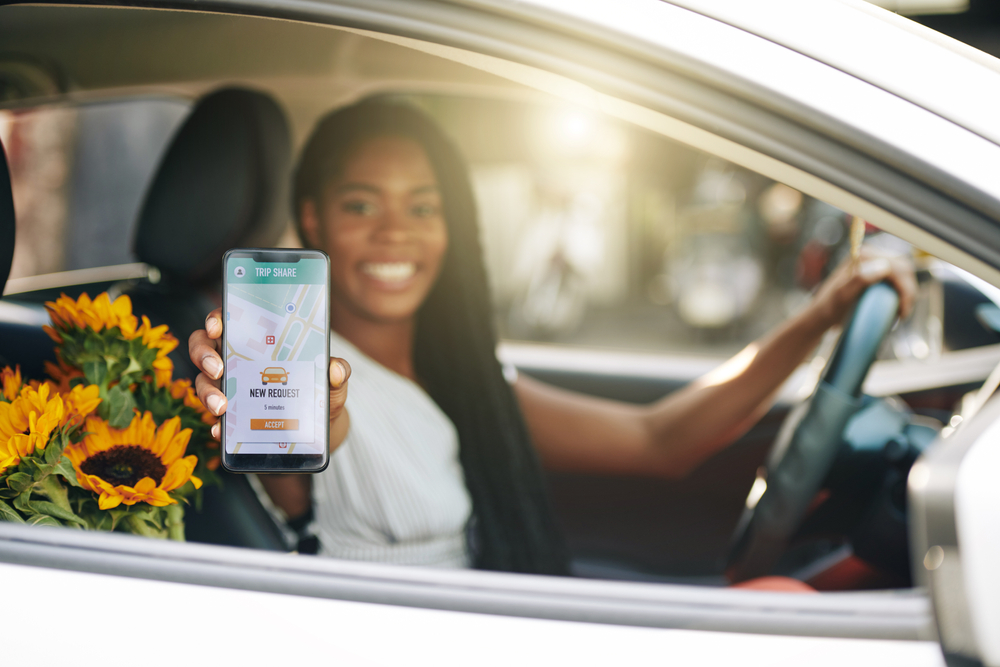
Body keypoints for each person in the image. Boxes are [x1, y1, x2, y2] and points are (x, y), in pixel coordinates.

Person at [188, 100, 915, 576]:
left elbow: (659, 440)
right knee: (797, 598)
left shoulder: (460, 377)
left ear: (453, 225)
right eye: (360, 204)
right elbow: (301, 456)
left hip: (496, 621)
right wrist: (296, 409)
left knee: (797, 591)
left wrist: (822, 314)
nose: (395, 231)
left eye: (422, 206)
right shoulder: (300, 368)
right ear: (311, 219)